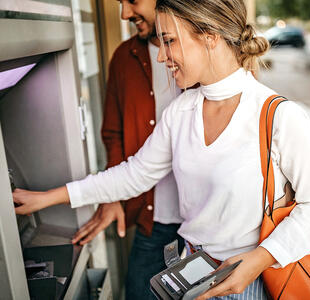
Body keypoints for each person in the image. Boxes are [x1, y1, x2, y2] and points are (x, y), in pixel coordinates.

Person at [13, 0, 310, 298]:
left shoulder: (279, 115)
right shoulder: (181, 112)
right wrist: (46, 198)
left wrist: (259, 260)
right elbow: (134, 175)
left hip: (250, 282)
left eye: (169, 41)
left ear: (209, 36)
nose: (161, 55)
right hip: (190, 274)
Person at [70, 0, 184, 299]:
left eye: (132, 1)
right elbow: (113, 135)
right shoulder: (124, 57)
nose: (124, 14)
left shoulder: (208, 58)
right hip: (153, 220)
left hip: (206, 227)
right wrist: (112, 196)